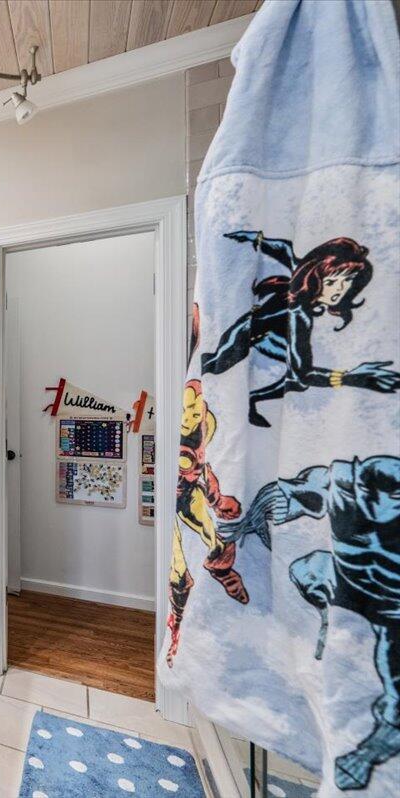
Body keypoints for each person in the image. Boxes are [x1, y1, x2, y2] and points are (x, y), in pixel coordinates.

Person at [220, 456, 400, 791]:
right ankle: (319, 630)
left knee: (391, 683)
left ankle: (371, 747)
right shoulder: (342, 483)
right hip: (345, 583)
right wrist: (249, 519)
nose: (375, 501)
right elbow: (284, 493)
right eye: (368, 491)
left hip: (391, 609)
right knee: (305, 569)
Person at [201, 232, 399, 427]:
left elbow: (284, 249)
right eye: (331, 282)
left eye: (347, 281)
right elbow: (304, 373)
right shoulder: (299, 312)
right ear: (314, 278)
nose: (340, 290)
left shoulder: (301, 280)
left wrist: (256, 238)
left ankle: (252, 400)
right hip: (248, 332)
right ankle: (236, 405)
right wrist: (348, 377)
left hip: (276, 338)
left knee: (297, 379)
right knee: (215, 364)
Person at [165, 379, 244, 666]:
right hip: (172, 499)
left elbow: (204, 468)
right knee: (177, 568)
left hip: (188, 495)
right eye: (187, 411)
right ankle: (177, 629)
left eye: (194, 412)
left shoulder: (202, 431)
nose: (189, 417)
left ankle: (219, 567)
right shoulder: (177, 430)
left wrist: (217, 499)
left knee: (215, 540)